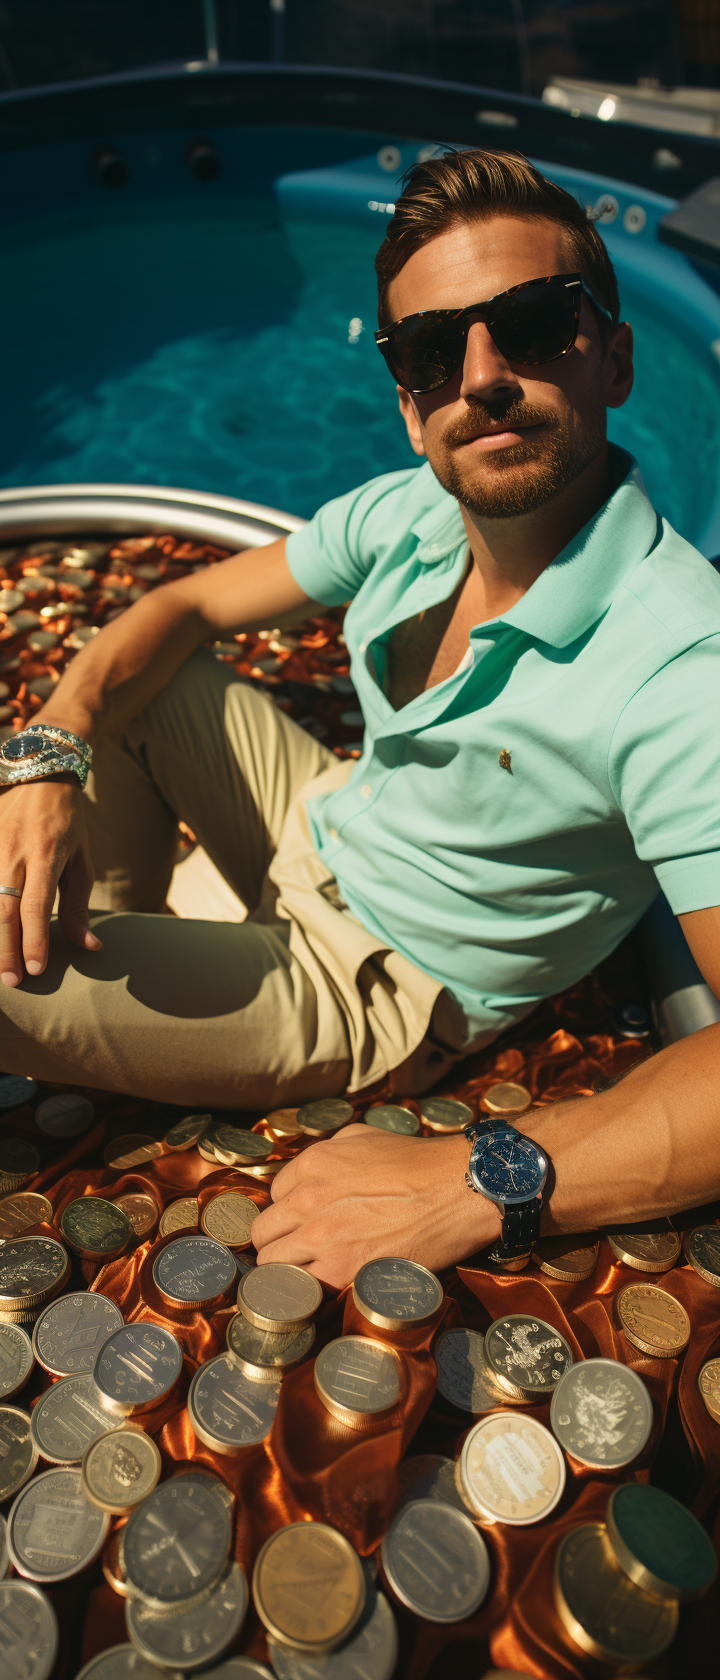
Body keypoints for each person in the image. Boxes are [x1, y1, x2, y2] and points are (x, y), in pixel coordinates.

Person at [0, 150, 718, 1287]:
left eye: (531, 327)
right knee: (144, 688)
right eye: (435, 351)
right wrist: (45, 752)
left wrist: (480, 1178)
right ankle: (115, 939)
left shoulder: (683, 667)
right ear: (406, 399)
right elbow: (185, 605)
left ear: (615, 357)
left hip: (378, 980)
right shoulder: (412, 512)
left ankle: (112, 993)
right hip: (325, 817)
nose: (480, 378)